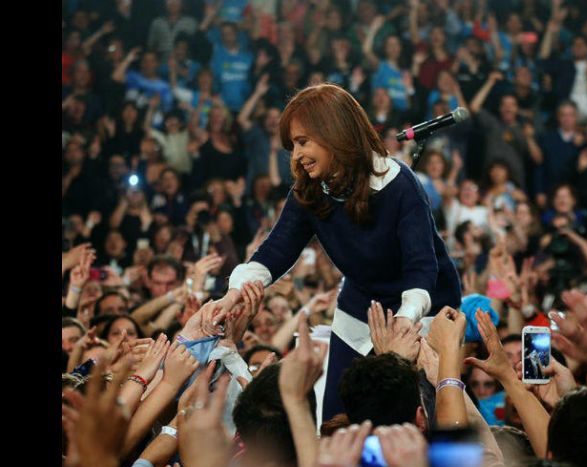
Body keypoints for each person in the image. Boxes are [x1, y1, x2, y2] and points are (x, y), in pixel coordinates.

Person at [182, 83, 462, 421]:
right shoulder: (310, 189)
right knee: (335, 420)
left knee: (421, 419)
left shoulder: (399, 184)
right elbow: (277, 248)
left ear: (335, 134)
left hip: (422, 311)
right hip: (362, 308)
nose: (296, 155)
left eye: (302, 142)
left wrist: (404, 322)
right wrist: (234, 293)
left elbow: (422, 269)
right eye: (292, 146)